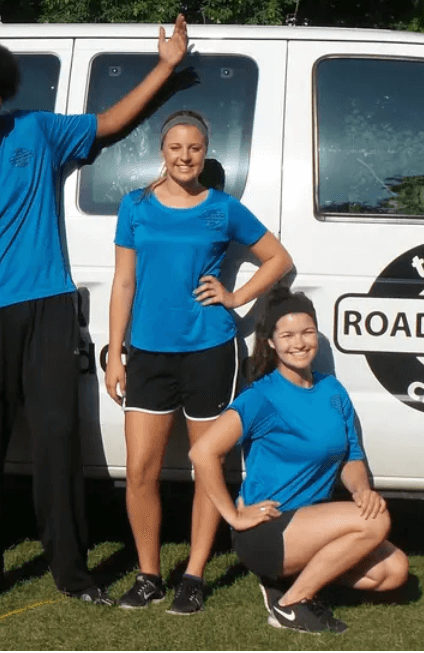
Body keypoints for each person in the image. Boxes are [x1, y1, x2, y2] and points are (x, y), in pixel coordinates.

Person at [0, 17, 190, 606]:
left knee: (58, 441)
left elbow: (112, 124)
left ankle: (72, 572)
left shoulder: (36, 132)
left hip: (49, 308)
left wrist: (165, 67)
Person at [104, 110, 293, 614]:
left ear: (205, 154)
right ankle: (148, 576)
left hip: (209, 352)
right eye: (175, 149)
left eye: (193, 149)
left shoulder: (223, 209)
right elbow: (124, 283)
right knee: (141, 470)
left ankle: (193, 574)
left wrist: (236, 299)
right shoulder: (136, 207)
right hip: (147, 353)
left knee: (204, 466)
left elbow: (278, 259)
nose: (184, 157)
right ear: (162, 154)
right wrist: (115, 354)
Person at [188, 288, 408, 634]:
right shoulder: (261, 396)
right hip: (269, 526)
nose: (300, 343)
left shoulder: (332, 390)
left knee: (394, 570)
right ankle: (291, 605)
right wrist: (233, 515)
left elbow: (351, 455)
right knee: (374, 524)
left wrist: (361, 490)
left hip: (313, 524)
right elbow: (202, 453)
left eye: (307, 332)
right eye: (287, 335)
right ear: (271, 343)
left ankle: (288, 583)